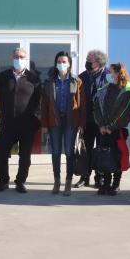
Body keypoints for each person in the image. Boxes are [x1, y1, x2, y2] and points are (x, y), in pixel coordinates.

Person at [0, 47, 42, 193]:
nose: (19, 60)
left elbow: (39, 101)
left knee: (25, 156)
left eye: (22, 57)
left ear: (26, 59)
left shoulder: (33, 78)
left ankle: (20, 181)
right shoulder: (3, 77)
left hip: (26, 124)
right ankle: (3, 181)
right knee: (2, 154)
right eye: (16, 57)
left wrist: (35, 120)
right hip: (6, 123)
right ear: (12, 58)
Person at [40, 51, 85, 196]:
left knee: (69, 152)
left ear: (69, 64)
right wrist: (45, 125)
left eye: (64, 62)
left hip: (71, 121)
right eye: (59, 62)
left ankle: (68, 182)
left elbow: (82, 104)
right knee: (55, 152)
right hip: (54, 121)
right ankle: (57, 181)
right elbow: (44, 105)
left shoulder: (77, 81)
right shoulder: (50, 82)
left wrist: (81, 124)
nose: (61, 64)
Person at [92, 62, 130, 195]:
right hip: (103, 129)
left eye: (111, 71)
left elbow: (125, 112)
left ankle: (116, 183)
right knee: (105, 155)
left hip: (118, 129)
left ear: (119, 72)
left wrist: (111, 127)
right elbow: (96, 107)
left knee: (117, 156)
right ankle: (105, 184)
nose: (109, 73)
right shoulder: (105, 88)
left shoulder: (128, 90)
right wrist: (101, 125)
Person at [76, 50, 110, 188]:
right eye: (86, 59)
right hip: (87, 120)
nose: (87, 63)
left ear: (99, 62)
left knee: (101, 149)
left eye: (90, 60)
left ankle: (99, 177)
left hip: (102, 121)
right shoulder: (82, 77)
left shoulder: (108, 75)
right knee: (86, 149)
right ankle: (85, 177)